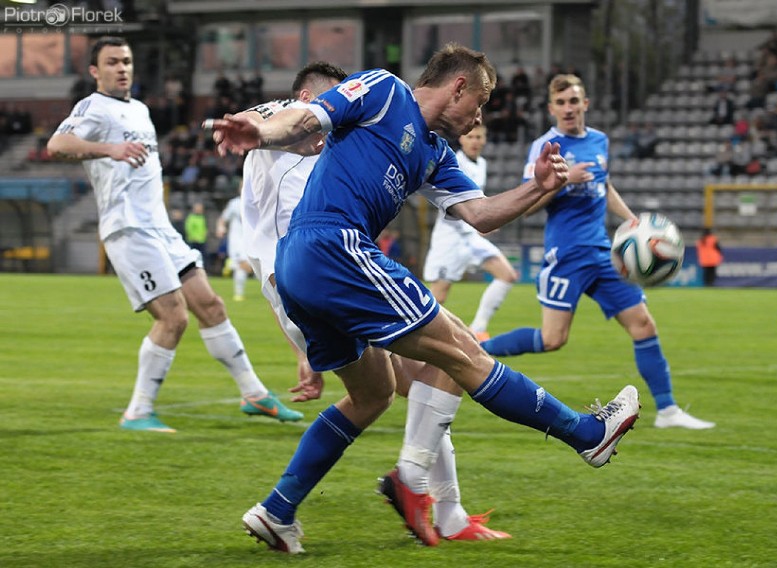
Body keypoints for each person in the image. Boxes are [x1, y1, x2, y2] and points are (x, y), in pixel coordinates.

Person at [207, 43, 640, 554]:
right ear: (457, 86)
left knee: (373, 395)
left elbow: (480, 214)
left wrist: (538, 187)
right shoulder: (385, 91)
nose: (478, 116)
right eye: (477, 103)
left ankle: (279, 509)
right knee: (463, 352)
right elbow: (308, 116)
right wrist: (259, 131)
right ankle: (584, 434)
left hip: (301, 270)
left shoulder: (435, 154)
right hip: (333, 245)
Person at [237, 62, 511, 543]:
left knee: (389, 389)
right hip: (323, 269)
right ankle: (435, 503)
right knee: (446, 359)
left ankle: (280, 509)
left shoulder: (340, 139)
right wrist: (263, 129)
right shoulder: (289, 116)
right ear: (306, 96)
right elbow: (267, 121)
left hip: (310, 277)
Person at [46, 36, 303, 433]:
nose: (122, 68)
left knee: (212, 306)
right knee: (173, 317)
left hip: (159, 228)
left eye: (126, 61)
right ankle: (138, 411)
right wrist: (109, 150)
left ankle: (253, 394)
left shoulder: (141, 110)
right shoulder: (92, 107)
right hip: (128, 229)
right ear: (95, 71)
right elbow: (57, 144)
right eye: (112, 62)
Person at [480, 74, 714, 431]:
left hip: (604, 254)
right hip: (566, 255)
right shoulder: (545, 147)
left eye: (574, 101)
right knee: (552, 339)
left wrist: (633, 221)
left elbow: (604, 185)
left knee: (643, 324)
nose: (568, 108)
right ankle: (480, 350)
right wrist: (563, 181)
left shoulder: (599, 141)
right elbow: (528, 205)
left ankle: (667, 411)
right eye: (561, 103)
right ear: (551, 109)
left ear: (584, 104)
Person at [422, 123, 518, 342]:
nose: (475, 141)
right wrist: (477, 222)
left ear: (484, 140)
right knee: (439, 296)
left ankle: (477, 330)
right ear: (463, 139)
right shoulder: (454, 162)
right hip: (450, 239)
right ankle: (413, 340)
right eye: (471, 137)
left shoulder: (481, 164)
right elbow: (447, 201)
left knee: (507, 275)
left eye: (479, 137)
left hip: (470, 237)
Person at [215, 184, 252, 301]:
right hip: (236, 241)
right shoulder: (234, 203)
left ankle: (230, 264)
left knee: (249, 268)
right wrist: (220, 228)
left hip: (250, 241)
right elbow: (223, 218)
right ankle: (238, 294)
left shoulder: (255, 202)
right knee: (243, 266)